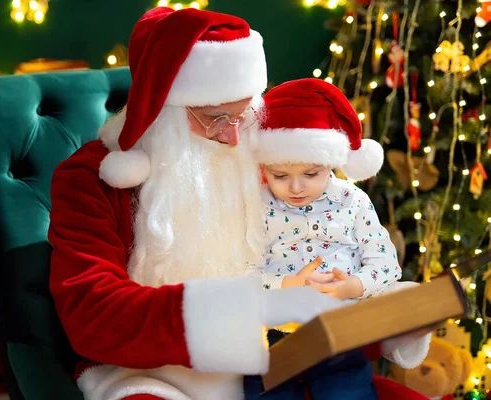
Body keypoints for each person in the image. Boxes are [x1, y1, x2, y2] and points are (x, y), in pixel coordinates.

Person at [48, 6, 429, 400]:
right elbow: (94, 317)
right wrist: (263, 308)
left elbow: (327, 264)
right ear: (163, 109)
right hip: (151, 374)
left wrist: (392, 306)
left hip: (274, 366)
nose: (232, 137)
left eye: (244, 113)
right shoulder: (93, 178)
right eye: (214, 118)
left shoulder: (267, 162)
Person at [242, 78, 431, 399]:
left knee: (346, 390)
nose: (296, 188)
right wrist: (284, 283)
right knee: (265, 389)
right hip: (275, 333)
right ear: (264, 168)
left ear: (330, 164)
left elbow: (386, 263)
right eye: (280, 176)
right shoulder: (257, 205)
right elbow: (240, 271)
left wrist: (353, 285)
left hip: (339, 331)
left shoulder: (352, 202)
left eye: (311, 174)